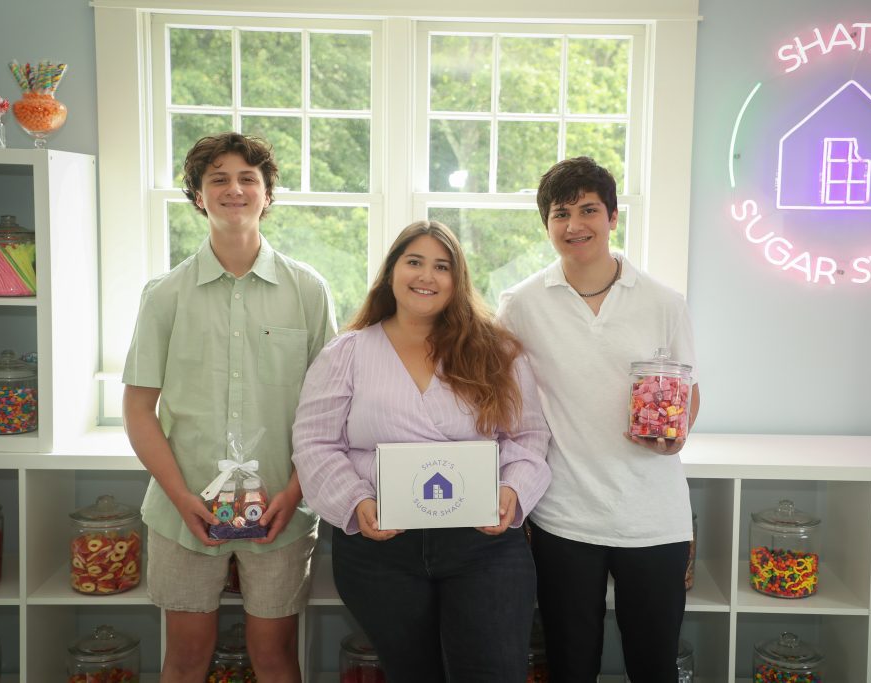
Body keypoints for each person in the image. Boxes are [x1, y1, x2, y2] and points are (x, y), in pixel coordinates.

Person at [291, 220, 551, 683]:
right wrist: (355, 500)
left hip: (482, 543)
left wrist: (513, 489)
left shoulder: (496, 351)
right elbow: (315, 442)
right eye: (414, 262)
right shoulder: (347, 353)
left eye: (442, 266)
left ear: (457, 279)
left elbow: (528, 436)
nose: (426, 276)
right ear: (392, 271)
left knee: (492, 672)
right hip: (380, 548)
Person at [122, 132, 336, 682]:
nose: (234, 189)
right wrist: (181, 497)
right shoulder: (164, 295)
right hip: (182, 509)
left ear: (268, 194)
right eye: (218, 179)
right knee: (186, 657)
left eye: (248, 179)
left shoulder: (308, 290)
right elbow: (139, 409)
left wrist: (296, 492)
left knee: (275, 655)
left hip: (282, 509)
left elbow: (329, 412)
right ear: (198, 196)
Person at [497, 157, 701, 683]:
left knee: (653, 664)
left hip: (653, 516)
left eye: (588, 210)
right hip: (564, 515)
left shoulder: (664, 302)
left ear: (612, 217)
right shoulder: (520, 305)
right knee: (570, 664)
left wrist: (676, 435)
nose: (574, 225)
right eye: (560, 214)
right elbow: (500, 397)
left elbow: (689, 392)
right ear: (546, 225)